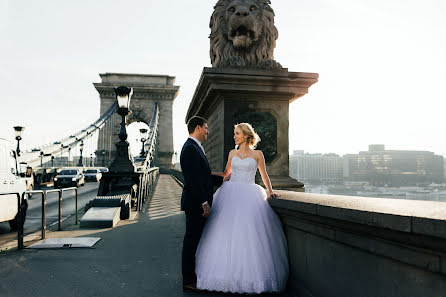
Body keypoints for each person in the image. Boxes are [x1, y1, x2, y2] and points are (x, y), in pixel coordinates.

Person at [195, 123, 289, 294]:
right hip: (230, 194)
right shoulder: (232, 153)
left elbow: (264, 175)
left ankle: (250, 279)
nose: (234, 136)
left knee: (249, 235)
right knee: (224, 233)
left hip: (250, 195)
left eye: (237, 133)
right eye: (234, 133)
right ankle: (222, 276)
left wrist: (270, 192)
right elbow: (225, 174)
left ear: (246, 135)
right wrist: (204, 176)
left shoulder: (258, 154)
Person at [180, 116, 222, 291]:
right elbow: (194, 180)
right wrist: (204, 203)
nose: (208, 131)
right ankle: (189, 281)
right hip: (196, 204)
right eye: (206, 128)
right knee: (192, 241)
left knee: (194, 240)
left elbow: (203, 176)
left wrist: (224, 179)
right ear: (197, 128)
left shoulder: (194, 147)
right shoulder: (190, 148)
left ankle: (192, 277)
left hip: (195, 202)